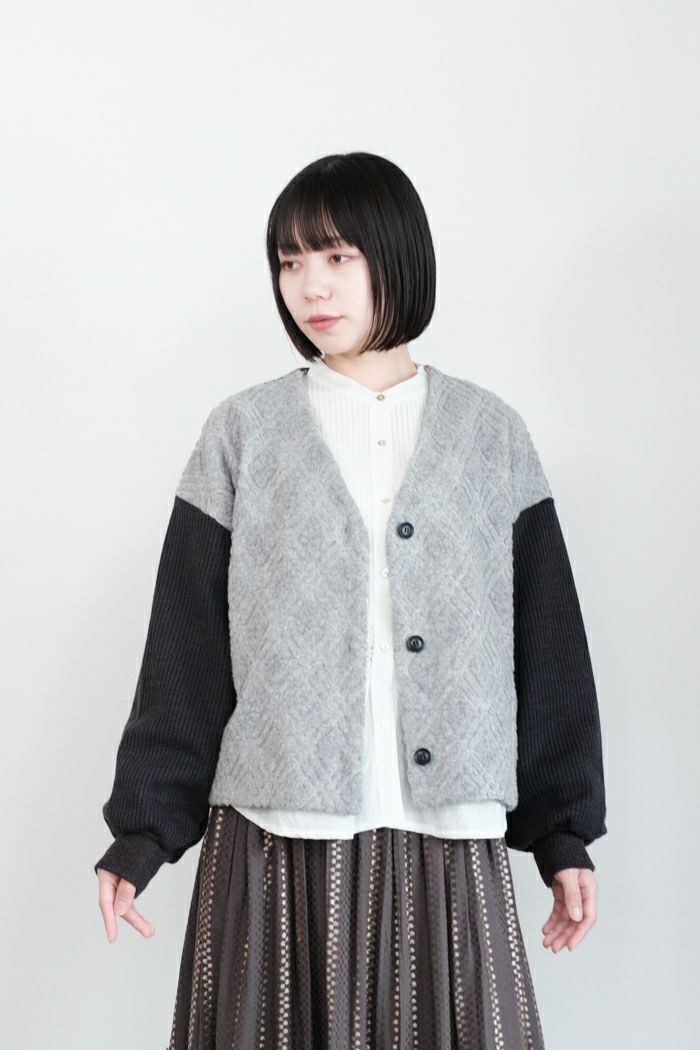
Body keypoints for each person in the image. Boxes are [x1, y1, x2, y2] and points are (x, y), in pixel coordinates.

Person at [95, 151, 607, 1049]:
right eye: (289, 262)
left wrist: (562, 835)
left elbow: (547, 644)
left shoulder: (490, 436)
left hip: (450, 843)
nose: (310, 286)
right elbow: (184, 652)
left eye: (337, 256)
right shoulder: (241, 434)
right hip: (274, 841)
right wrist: (142, 834)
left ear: (396, 256)